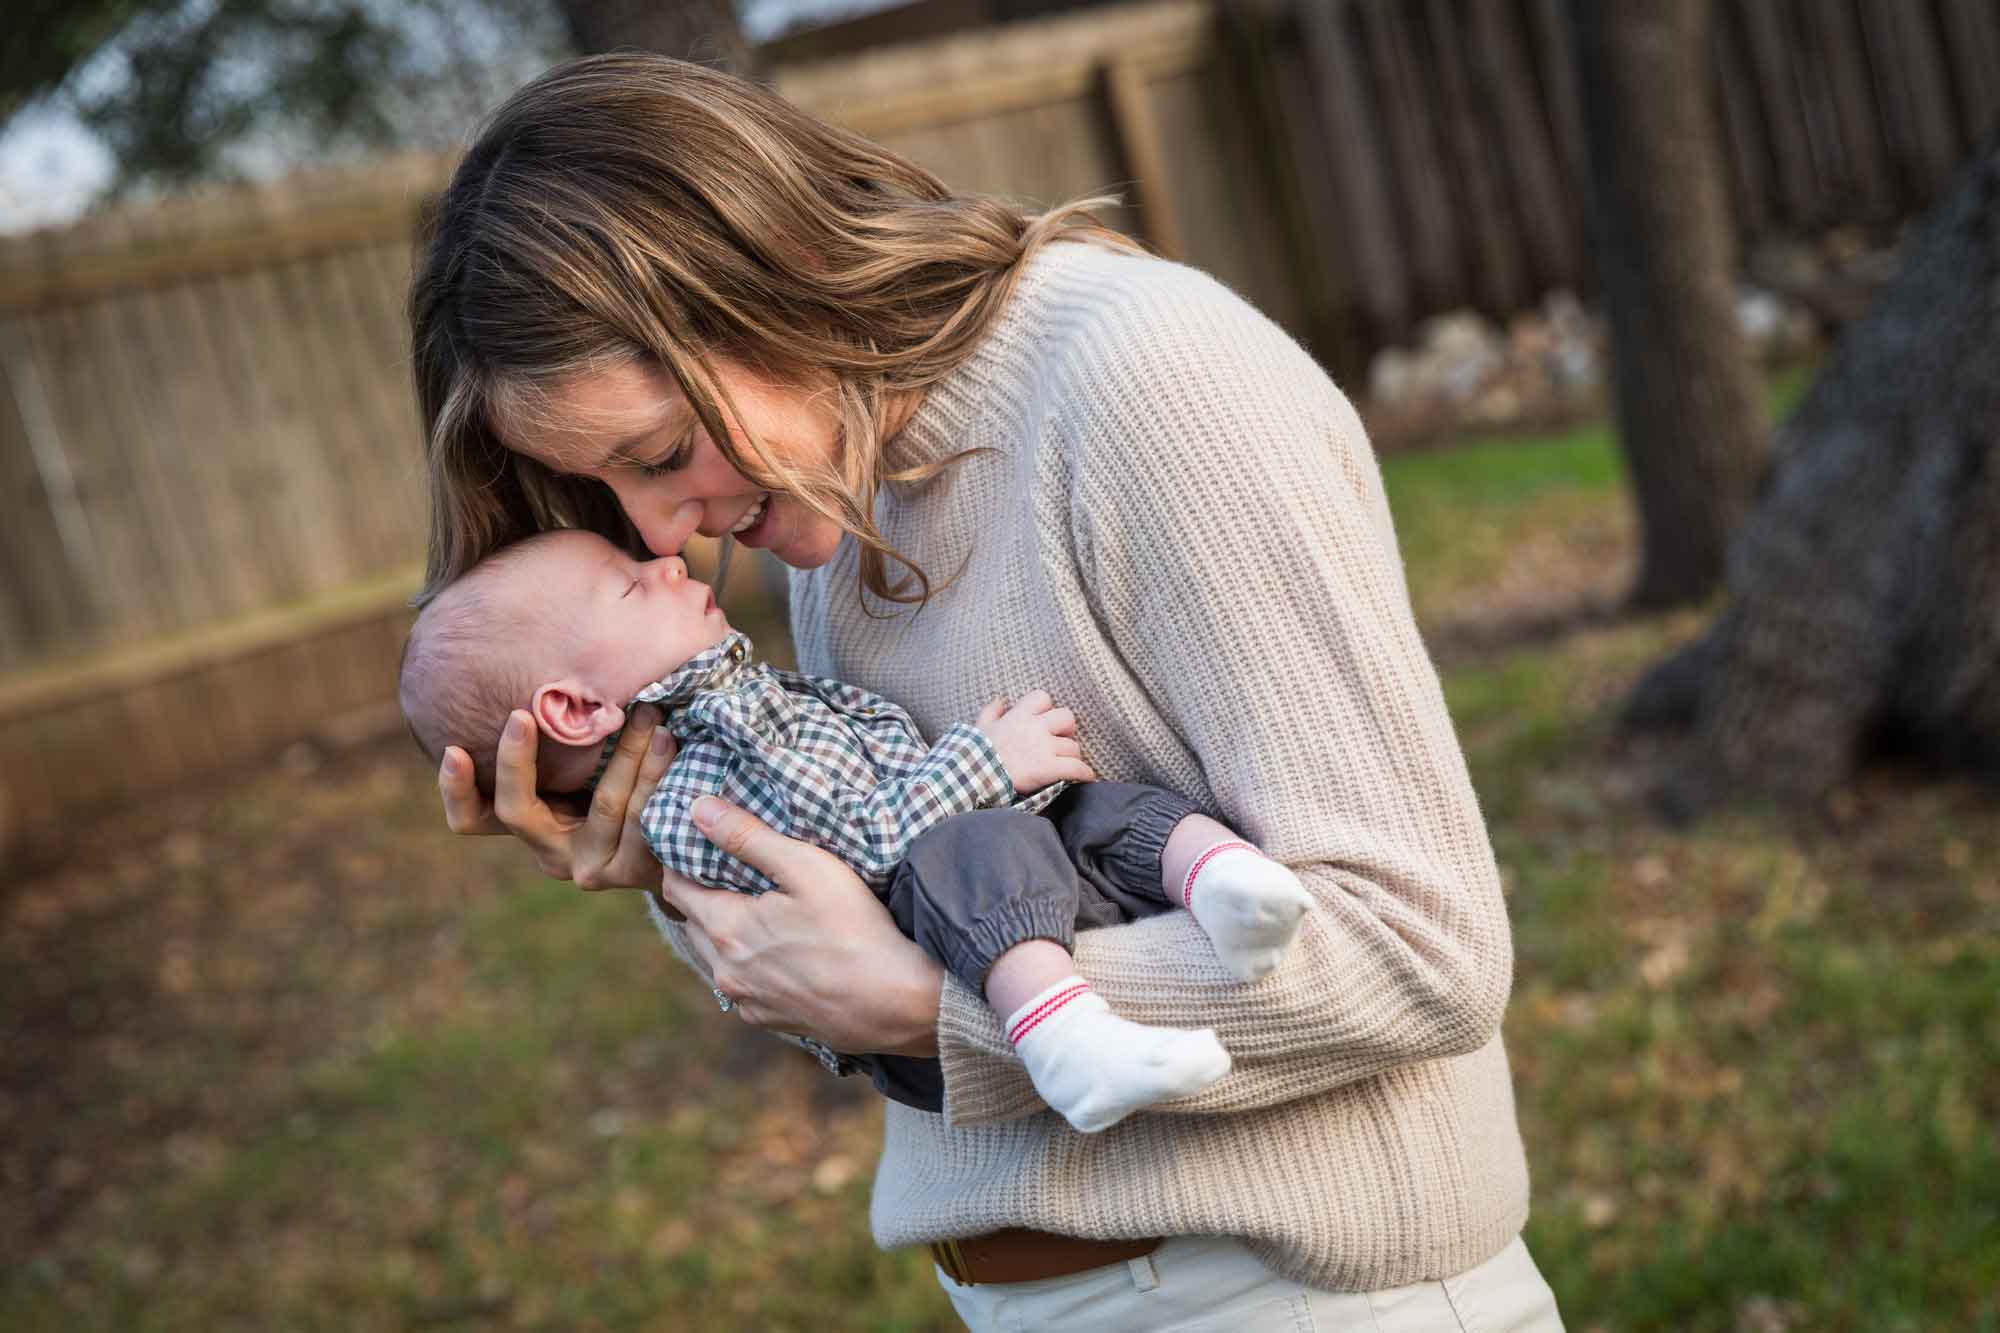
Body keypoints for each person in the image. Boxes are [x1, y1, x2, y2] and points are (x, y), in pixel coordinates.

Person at [413, 52, 1563, 1331]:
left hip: (1294, 1293)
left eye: (660, 453)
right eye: (609, 490)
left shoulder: (1147, 386)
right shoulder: (839, 484)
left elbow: (1420, 949)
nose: (656, 530)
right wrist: (677, 865)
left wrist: (947, 1010)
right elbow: (889, 950)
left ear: (759, 275)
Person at [398, 527, 1320, 1129]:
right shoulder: (697, 786)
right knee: (977, 839)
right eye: (633, 588)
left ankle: (1226, 882)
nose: (671, 560)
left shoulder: (736, 705)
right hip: (946, 901)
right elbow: (863, 847)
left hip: (984, 886)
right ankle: (1068, 1039)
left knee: (1103, 808)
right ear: (573, 707)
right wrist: (985, 763)